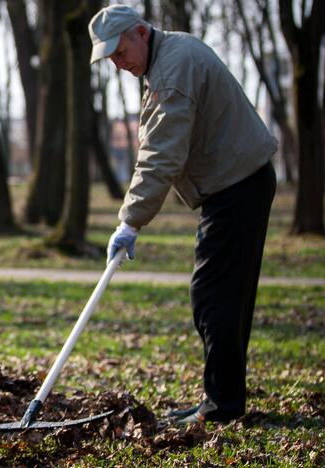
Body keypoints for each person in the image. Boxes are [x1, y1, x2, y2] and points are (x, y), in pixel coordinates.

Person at [89, 4, 277, 424]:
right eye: (112, 60)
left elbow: (160, 155)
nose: (119, 65)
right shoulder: (168, 57)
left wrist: (130, 221)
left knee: (212, 297)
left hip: (237, 186)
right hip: (238, 181)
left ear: (140, 31)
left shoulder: (172, 72)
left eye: (119, 53)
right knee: (224, 298)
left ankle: (222, 406)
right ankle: (221, 399)